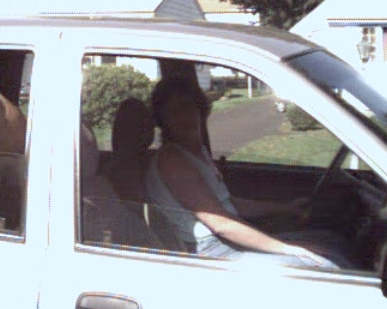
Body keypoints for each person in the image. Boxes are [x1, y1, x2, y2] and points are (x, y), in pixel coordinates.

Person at [144, 75, 348, 269]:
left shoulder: (197, 152)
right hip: (212, 253)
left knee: (331, 242)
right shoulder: (173, 161)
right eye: (171, 111)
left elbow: (229, 205)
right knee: (327, 265)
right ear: (162, 119)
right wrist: (289, 249)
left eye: (186, 106)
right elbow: (221, 224)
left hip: (227, 241)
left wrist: (287, 208)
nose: (181, 116)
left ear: (199, 108)